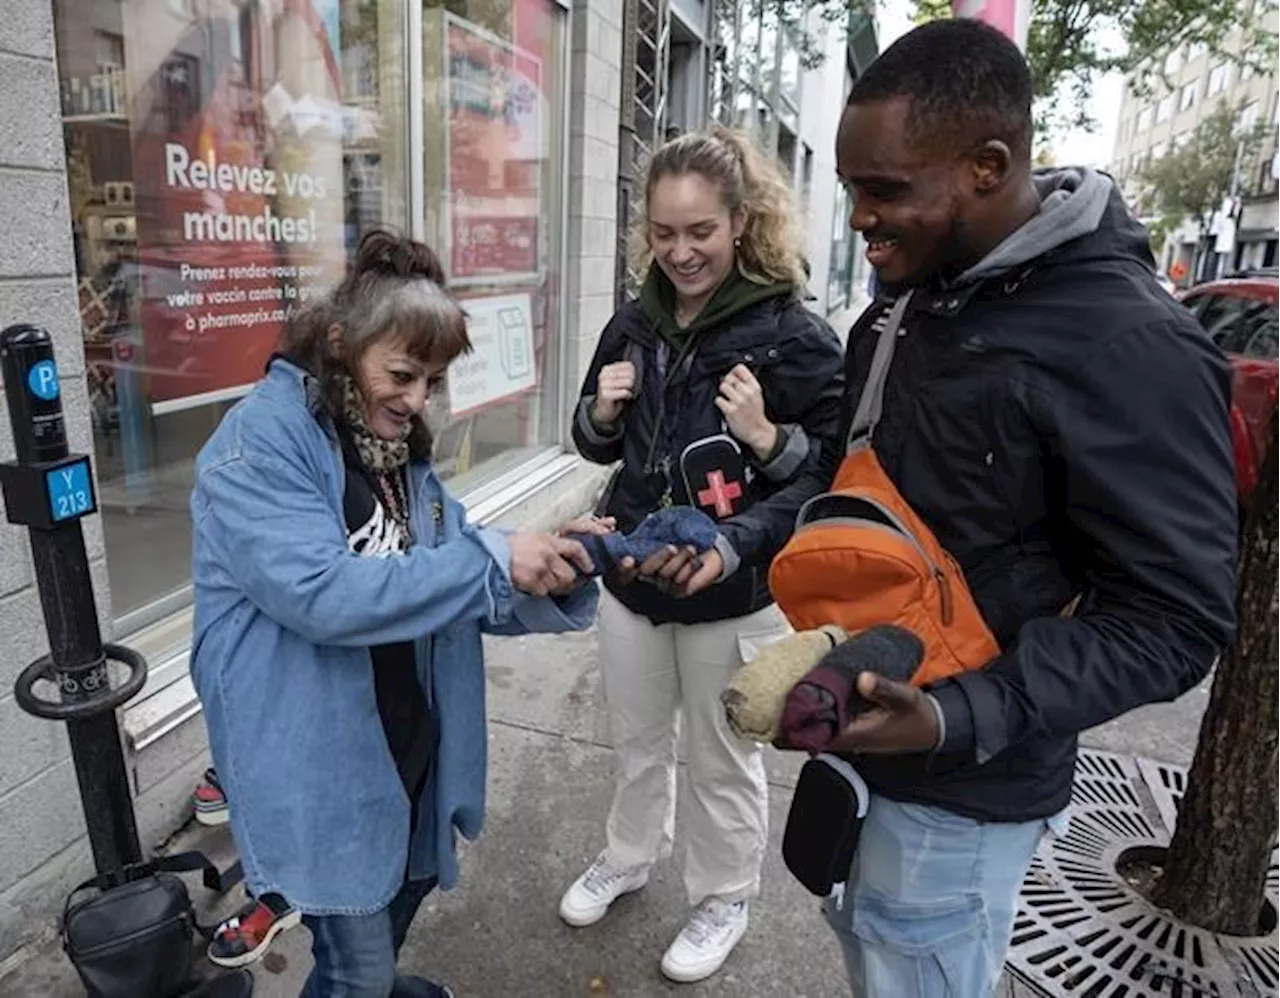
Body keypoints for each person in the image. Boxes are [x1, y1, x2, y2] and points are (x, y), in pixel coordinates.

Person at [816, 20, 1239, 996]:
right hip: (865, 746)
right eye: (849, 190)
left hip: (966, 796)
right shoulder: (905, 302)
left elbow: (1173, 621)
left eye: (881, 192)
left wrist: (956, 716)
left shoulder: (1131, 348)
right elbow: (855, 490)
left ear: (986, 165)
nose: (857, 221)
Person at [190, 230, 602, 998]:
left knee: (391, 910)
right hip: (321, 765)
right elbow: (321, 594)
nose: (417, 401)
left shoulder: (390, 451)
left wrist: (547, 565)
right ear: (340, 343)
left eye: (433, 381)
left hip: (404, 749)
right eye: (404, 374)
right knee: (356, 963)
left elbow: (451, 572)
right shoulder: (257, 447)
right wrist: (490, 558)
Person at [558, 126, 846, 983]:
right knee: (638, 741)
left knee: (724, 757)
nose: (680, 252)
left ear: (741, 221)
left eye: (700, 232)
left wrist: (767, 438)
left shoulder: (794, 336)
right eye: (664, 231)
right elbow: (594, 445)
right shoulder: (634, 321)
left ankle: (723, 894)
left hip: (736, 588)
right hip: (635, 584)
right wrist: (603, 415)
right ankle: (629, 855)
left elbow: (829, 474)